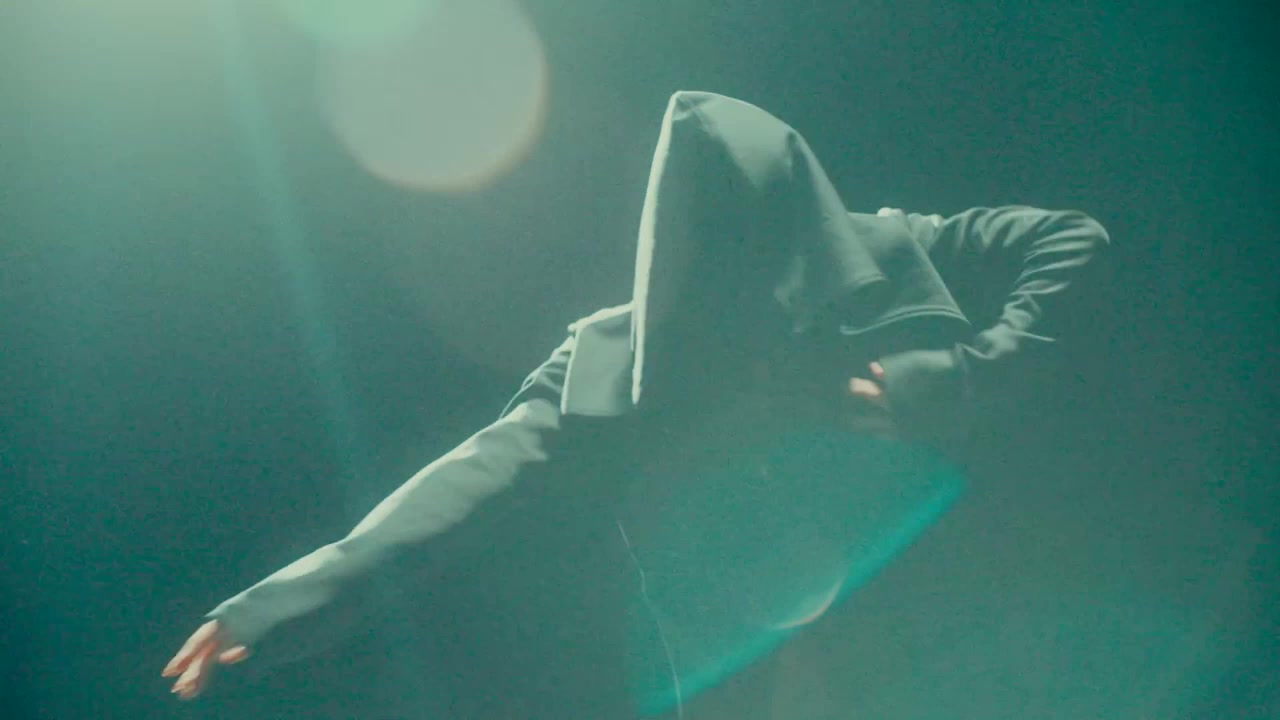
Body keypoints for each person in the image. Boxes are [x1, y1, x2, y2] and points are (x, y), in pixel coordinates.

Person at [163, 91, 1109, 717]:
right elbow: (451, 496)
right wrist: (268, 611)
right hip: (729, 636)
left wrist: (964, 373)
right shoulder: (604, 367)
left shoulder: (888, 251)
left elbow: (1072, 241)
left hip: (910, 593)